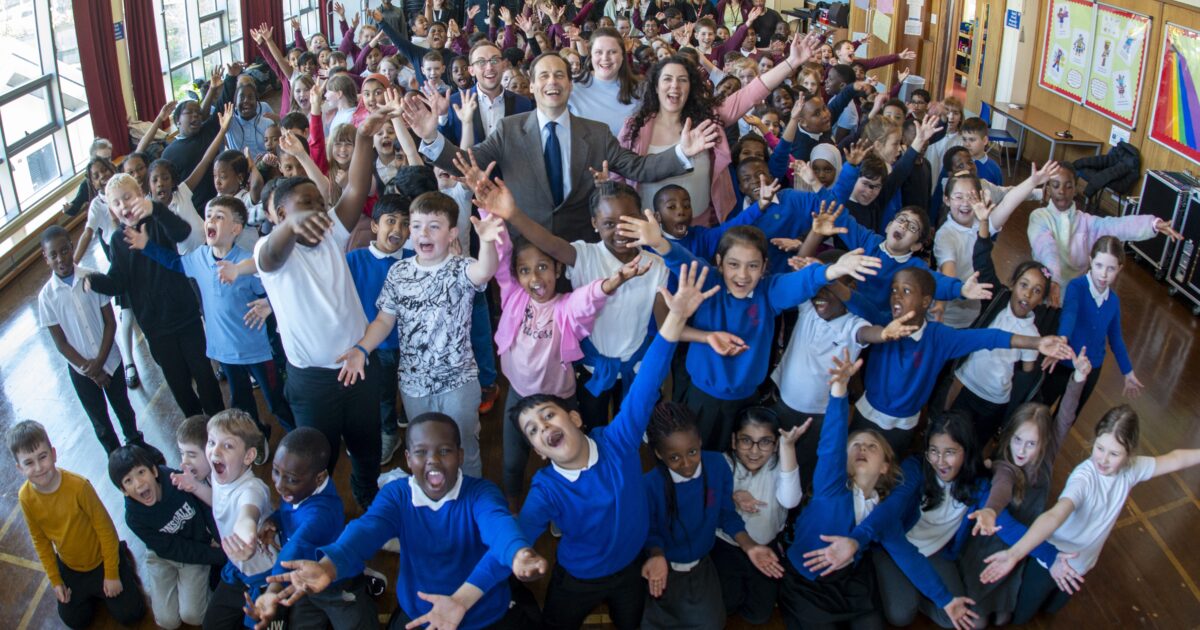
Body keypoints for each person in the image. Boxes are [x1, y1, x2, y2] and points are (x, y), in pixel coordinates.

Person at [512, 261, 711, 630]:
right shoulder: (546, 489)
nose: (543, 427)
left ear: (574, 419)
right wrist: (517, 554)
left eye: (549, 416)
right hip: (577, 579)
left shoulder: (618, 440)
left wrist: (675, 319)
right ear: (539, 451)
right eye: (534, 430)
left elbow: (649, 378)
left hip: (631, 570)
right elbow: (520, 532)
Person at [619, 211, 882, 449]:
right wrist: (659, 243)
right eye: (734, 264)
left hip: (745, 401)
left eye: (753, 266)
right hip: (701, 397)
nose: (743, 275)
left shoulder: (769, 293)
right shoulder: (710, 281)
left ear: (765, 266)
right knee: (696, 450)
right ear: (720, 263)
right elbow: (682, 260)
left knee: (733, 456)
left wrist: (832, 271)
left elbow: (800, 283)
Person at [267, 413, 549, 629]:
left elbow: (499, 526)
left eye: (444, 451)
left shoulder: (481, 493)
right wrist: (329, 567)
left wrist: (518, 553)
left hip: (484, 613)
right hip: (419, 612)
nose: (433, 461)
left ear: (460, 456)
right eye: (421, 452)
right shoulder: (397, 495)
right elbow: (366, 531)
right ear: (408, 458)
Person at [403, 52, 718, 244]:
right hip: (525, 246)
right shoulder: (509, 129)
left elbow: (639, 167)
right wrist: (431, 138)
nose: (552, 81)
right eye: (544, 76)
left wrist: (680, 152)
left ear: (569, 85)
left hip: (580, 247)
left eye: (559, 75)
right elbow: (466, 161)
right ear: (533, 85)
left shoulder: (596, 133)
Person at [251, 112, 393, 510]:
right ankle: (321, 519)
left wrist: (364, 138)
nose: (317, 210)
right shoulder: (270, 251)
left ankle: (369, 503)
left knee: (366, 450)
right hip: (312, 381)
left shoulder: (332, 232)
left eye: (318, 202)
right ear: (280, 215)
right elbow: (274, 249)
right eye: (303, 206)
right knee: (319, 458)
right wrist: (291, 226)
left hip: (360, 365)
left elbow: (356, 187)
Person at [473, 175, 638, 504]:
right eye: (526, 271)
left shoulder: (566, 309)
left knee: (567, 459)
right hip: (518, 395)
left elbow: (585, 302)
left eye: (543, 267)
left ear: (558, 270)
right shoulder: (513, 297)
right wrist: (493, 220)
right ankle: (514, 511)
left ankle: (567, 506)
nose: (535, 278)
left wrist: (610, 283)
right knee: (512, 462)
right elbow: (502, 260)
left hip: (560, 400)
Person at [336, 190, 503, 479]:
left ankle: (471, 499)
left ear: (452, 234)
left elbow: (485, 271)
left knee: (464, 445)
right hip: (413, 386)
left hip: (458, 382)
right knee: (424, 446)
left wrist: (487, 241)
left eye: (433, 226)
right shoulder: (399, 272)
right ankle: (433, 494)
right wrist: (361, 349)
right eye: (416, 226)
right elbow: (384, 321)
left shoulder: (460, 268)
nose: (422, 233)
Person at [978, 406, 1200, 622]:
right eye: (1099, 448)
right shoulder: (1084, 477)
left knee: (1053, 608)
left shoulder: (1132, 468)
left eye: (1114, 454)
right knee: (1022, 617)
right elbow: (1055, 516)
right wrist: (1015, 553)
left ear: (1129, 453)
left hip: (1083, 563)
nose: (1103, 459)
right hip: (1054, 558)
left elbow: (1176, 458)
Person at [84, 175, 225, 419]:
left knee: (204, 373)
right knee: (178, 383)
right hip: (156, 327)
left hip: (185, 316)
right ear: (111, 210)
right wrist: (93, 280)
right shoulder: (118, 240)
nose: (124, 205)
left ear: (139, 193)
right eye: (116, 203)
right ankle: (196, 429)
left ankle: (218, 423)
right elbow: (118, 281)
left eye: (127, 197)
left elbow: (182, 232)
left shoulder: (158, 219)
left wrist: (156, 209)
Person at [640, 401, 784, 629]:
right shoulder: (650, 486)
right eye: (674, 458)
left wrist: (749, 546)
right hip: (664, 568)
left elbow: (725, 513)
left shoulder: (717, 466)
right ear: (659, 454)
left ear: (700, 442)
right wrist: (656, 554)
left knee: (712, 623)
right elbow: (650, 531)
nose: (686, 464)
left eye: (692, 452)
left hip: (702, 567)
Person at [780, 350, 895, 630]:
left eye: (871, 446)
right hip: (808, 583)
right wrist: (840, 390)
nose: (862, 449)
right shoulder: (832, 486)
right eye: (855, 445)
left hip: (850, 579)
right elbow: (832, 443)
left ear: (885, 467)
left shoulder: (882, 505)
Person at [10, 421, 146, 628]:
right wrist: (56, 581)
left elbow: (106, 530)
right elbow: (40, 541)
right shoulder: (25, 497)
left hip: (101, 559)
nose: (38, 468)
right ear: (19, 468)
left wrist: (111, 574)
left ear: (53, 454)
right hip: (72, 567)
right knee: (75, 620)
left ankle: (121, 558)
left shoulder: (78, 486)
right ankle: (95, 591)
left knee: (132, 614)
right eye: (29, 463)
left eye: (43, 457)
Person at [246, 428, 378, 629]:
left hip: (337, 584)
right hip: (305, 582)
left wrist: (272, 589)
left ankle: (364, 583)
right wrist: (275, 520)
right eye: (276, 471)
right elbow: (289, 513)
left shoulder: (321, 514)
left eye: (291, 478)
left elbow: (294, 547)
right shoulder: (298, 490)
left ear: (319, 478)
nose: (280, 485)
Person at [37, 226, 148, 456]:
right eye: (54, 255)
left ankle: (137, 446)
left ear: (71, 247)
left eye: (65, 251)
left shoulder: (91, 277)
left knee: (124, 409)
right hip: (82, 373)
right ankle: (116, 457)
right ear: (45, 258)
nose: (61, 259)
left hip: (111, 361)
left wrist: (100, 362)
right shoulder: (47, 297)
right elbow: (61, 343)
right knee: (100, 422)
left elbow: (110, 322)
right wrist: (91, 370)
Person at [1026, 164, 1180, 307]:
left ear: (1075, 190)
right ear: (1047, 190)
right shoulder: (1039, 217)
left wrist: (1152, 224)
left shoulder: (1086, 222)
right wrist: (1054, 281)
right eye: (1056, 186)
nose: (1062, 191)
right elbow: (1046, 248)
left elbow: (1116, 226)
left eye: (1068, 187)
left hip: (1074, 297)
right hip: (1043, 290)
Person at [109, 445, 225, 630]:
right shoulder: (133, 518)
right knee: (167, 622)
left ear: (154, 470)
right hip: (163, 555)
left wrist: (222, 545)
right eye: (128, 481)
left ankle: (201, 593)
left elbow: (206, 508)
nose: (139, 484)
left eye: (141, 472)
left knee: (193, 616)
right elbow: (171, 548)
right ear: (123, 490)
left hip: (194, 548)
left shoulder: (176, 480)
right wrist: (220, 556)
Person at [712, 407, 805, 625]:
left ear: (775, 446)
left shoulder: (781, 467)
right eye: (746, 441)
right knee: (727, 604)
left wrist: (788, 446)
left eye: (765, 442)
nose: (754, 451)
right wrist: (732, 496)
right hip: (727, 545)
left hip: (766, 546)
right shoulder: (722, 464)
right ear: (734, 441)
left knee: (760, 615)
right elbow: (709, 511)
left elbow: (791, 500)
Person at [344, 194, 413, 465]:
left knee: (409, 389)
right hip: (375, 345)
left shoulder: (414, 258)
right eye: (391, 221)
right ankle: (389, 433)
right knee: (383, 394)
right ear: (375, 225)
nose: (397, 229)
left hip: (411, 344)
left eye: (405, 224)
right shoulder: (355, 260)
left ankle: (408, 418)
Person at [1041, 237, 1142, 412]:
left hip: (1090, 369)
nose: (1103, 274)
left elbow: (1116, 338)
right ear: (1090, 261)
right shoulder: (1077, 286)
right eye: (1099, 266)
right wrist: (1062, 341)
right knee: (1041, 406)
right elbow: (1069, 314)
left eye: (1111, 269)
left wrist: (1128, 372)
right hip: (1064, 360)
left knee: (1067, 416)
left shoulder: (1113, 302)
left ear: (1120, 269)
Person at [201, 410, 277, 629]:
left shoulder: (252, 489)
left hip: (265, 578)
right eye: (212, 442)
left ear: (249, 456)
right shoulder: (219, 477)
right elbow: (221, 504)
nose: (215, 450)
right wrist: (195, 486)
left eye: (228, 445)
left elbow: (247, 515)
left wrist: (248, 538)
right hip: (237, 570)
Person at [439, 41, 534, 146]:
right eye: (481, 62)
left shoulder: (524, 104)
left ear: (503, 65)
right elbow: (446, 146)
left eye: (495, 60)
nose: (489, 67)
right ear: (471, 71)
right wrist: (442, 118)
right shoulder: (455, 102)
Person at [568, 28, 643, 138]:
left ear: (623, 55)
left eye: (612, 52)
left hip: (626, 154)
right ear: (591, 55)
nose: (605, 58)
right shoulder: (572, 87)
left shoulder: (639, 90)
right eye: (598, 52)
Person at [959, 117, 1002, 186]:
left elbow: (999, 194)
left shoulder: (994, 169)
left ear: (985, 140)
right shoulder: (956, 163)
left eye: (972, 140)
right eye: (964, 139)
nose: (967, 144)